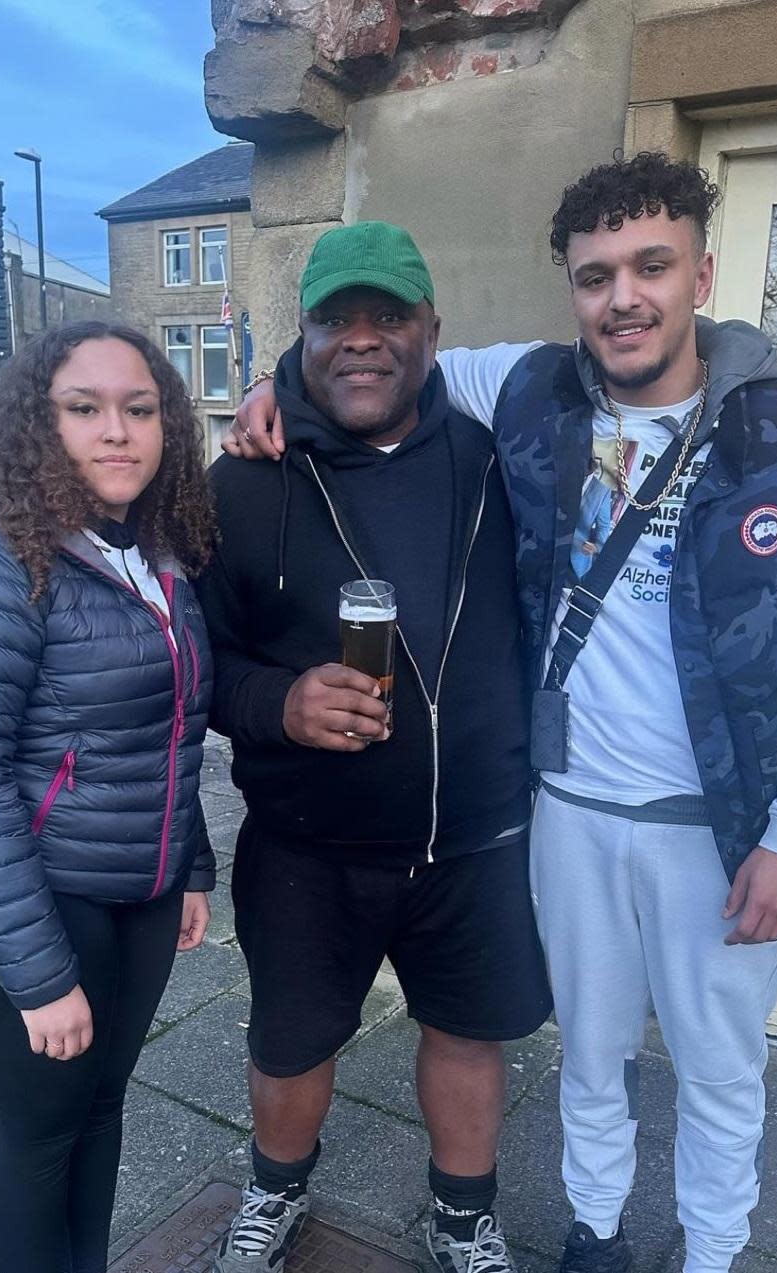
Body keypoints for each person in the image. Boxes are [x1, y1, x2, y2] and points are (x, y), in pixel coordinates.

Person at [231, 156, 777, 1273]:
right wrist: (274, 384)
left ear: (699, 271)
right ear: (569, 287)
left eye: (650, 266)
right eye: (594, 273)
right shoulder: (527, 388)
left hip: (720, 825)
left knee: (716, 1065)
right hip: (564, 810)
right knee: (587, 1053)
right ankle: (595, 1231)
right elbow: (367, 363)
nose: (622, 297)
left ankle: (710, 1251)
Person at [195, 221, 551, 1273]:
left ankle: (462, 1217)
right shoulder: (246, 483)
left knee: (468, 1032)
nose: (360, 339)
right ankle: (273, 1195)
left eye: (384, 316)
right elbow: (195, 664)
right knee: (291, 1038)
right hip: (310, 843)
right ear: (300, 336)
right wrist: (278, 701)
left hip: (475, 835)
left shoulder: (495, 458)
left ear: (428, 331)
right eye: (333, 319)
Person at [0, 320, 217, 1273]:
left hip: (138, 892)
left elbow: (172, 727)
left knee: (104, 1107)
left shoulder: (158, 549)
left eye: (139, 409)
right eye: (84, 408)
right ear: (34, 423)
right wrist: (38, 976)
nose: (116, 431)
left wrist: (189, 862)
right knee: (43, 1132)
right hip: (40, 900)